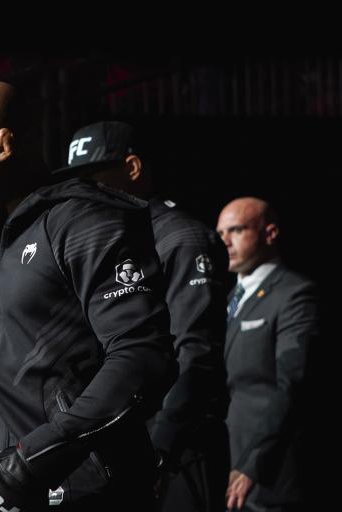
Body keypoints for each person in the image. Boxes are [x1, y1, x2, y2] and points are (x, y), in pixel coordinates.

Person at [0, 81, 176, 511]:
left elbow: (141, 358)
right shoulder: (6, 250)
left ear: (1, 145)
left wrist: (29, 464)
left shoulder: (82, 220)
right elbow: (26, 394)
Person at [53, 121, 231, 512]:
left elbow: (196, 352)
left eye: (93, 178)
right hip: (120, 444)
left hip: (177, 447)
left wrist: (162, 448)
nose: (82, 190)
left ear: (132, 168)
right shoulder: (102, 242)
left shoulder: (180, 237)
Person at [216, 197, 318, 511]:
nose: (225, 242)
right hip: (227, 463)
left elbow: (292, 386)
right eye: (220, 234)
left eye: (236, 230)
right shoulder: (228, 297)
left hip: (270, 474)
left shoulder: (295, 294)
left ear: (269, 233)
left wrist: (253, 465)